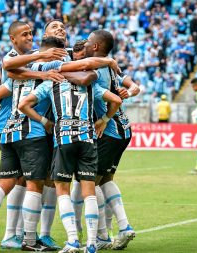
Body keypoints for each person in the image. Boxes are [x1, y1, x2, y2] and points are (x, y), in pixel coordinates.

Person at [18, 37, 123, 253]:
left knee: (62, 191)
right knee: (89, 191)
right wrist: (103, 121)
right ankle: (92, 243)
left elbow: (23, 104)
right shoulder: (91, 83)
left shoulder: (52, 82)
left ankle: (73, 241)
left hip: (63, 140)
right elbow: (117, 100)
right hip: (87, 139)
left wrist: (46, 122)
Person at [0, 21, 66, 252]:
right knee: (36, 183)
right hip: (32, 130)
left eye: (30, 34)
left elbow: (11, 71)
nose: (29, 37)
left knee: (7, 182)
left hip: (11, 131)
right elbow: (3, 77)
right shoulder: (33, 57)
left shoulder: (30, 60)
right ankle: (30, 239)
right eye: (25, 34)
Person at [81, 29, 140, 251]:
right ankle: (117, 230)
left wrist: (104, 118)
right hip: (123, 129)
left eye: (88, 41)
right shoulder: (108, 64)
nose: (85, 44)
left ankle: (107, 234)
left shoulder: (95, 67)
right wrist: (130, 92)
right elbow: (135, 86)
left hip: (109, 131)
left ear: (95, 47)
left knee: (90, 183)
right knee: (106, 180)